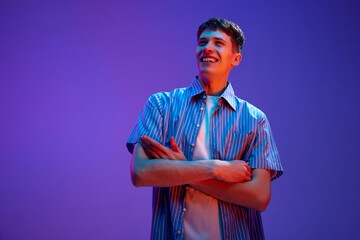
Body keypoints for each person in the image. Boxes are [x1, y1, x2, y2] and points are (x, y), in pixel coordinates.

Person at [126, 17, 283, 240]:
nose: (207, 47)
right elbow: (140, 173)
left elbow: (259, 197)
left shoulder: (255, 120)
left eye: (218, 43)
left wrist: (182, 171)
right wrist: (216, 168)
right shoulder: (161, 105)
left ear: (235, 58)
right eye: (202, 42)